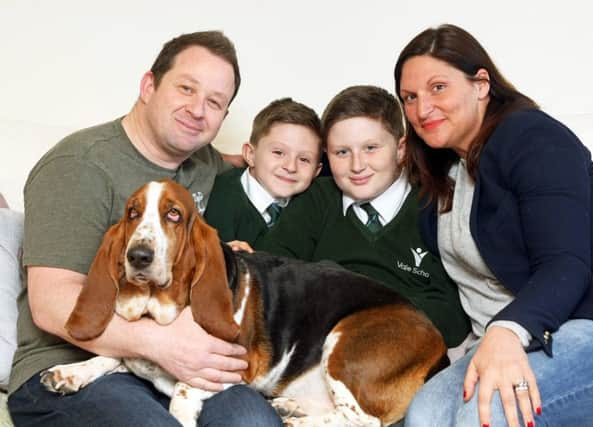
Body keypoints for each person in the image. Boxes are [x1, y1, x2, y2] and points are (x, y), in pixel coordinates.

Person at [8, 31, 282, 427]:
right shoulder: (76, 166)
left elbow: (251, 163)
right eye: (186, 88)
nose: (197, 110)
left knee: (254, 421)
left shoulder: (203, 163)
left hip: (170, 371)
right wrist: (163, 344)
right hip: (70, 365)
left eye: (215, 103)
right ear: (149, 85)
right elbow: (49, 304)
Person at [394, 24, 593, 427]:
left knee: (484, 414)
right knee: (424, 417)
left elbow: (565, 264)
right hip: (499, 339)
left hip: (577, 324)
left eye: (438, 88)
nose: (422, 109)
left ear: (481, 84)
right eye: (410, 97)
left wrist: (507, 332)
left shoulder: (532, 138)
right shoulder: (442, 175)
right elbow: (356, 159)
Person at [258, 85, 471, 349]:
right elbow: (271, 280)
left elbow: (451, 318)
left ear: (401, 148)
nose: (357, 165)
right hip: (313, 349)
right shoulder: (317, 200)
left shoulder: (433, 204)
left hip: (400, 352)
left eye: (371, 148)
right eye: (342, 152)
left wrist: (348, 305)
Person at [204, 97, 322, 246]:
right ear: (250, 155)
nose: (291, 167)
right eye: (278, 152)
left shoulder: (314, 204)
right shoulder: (220, 200)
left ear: (316, 171)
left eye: (304, 159)